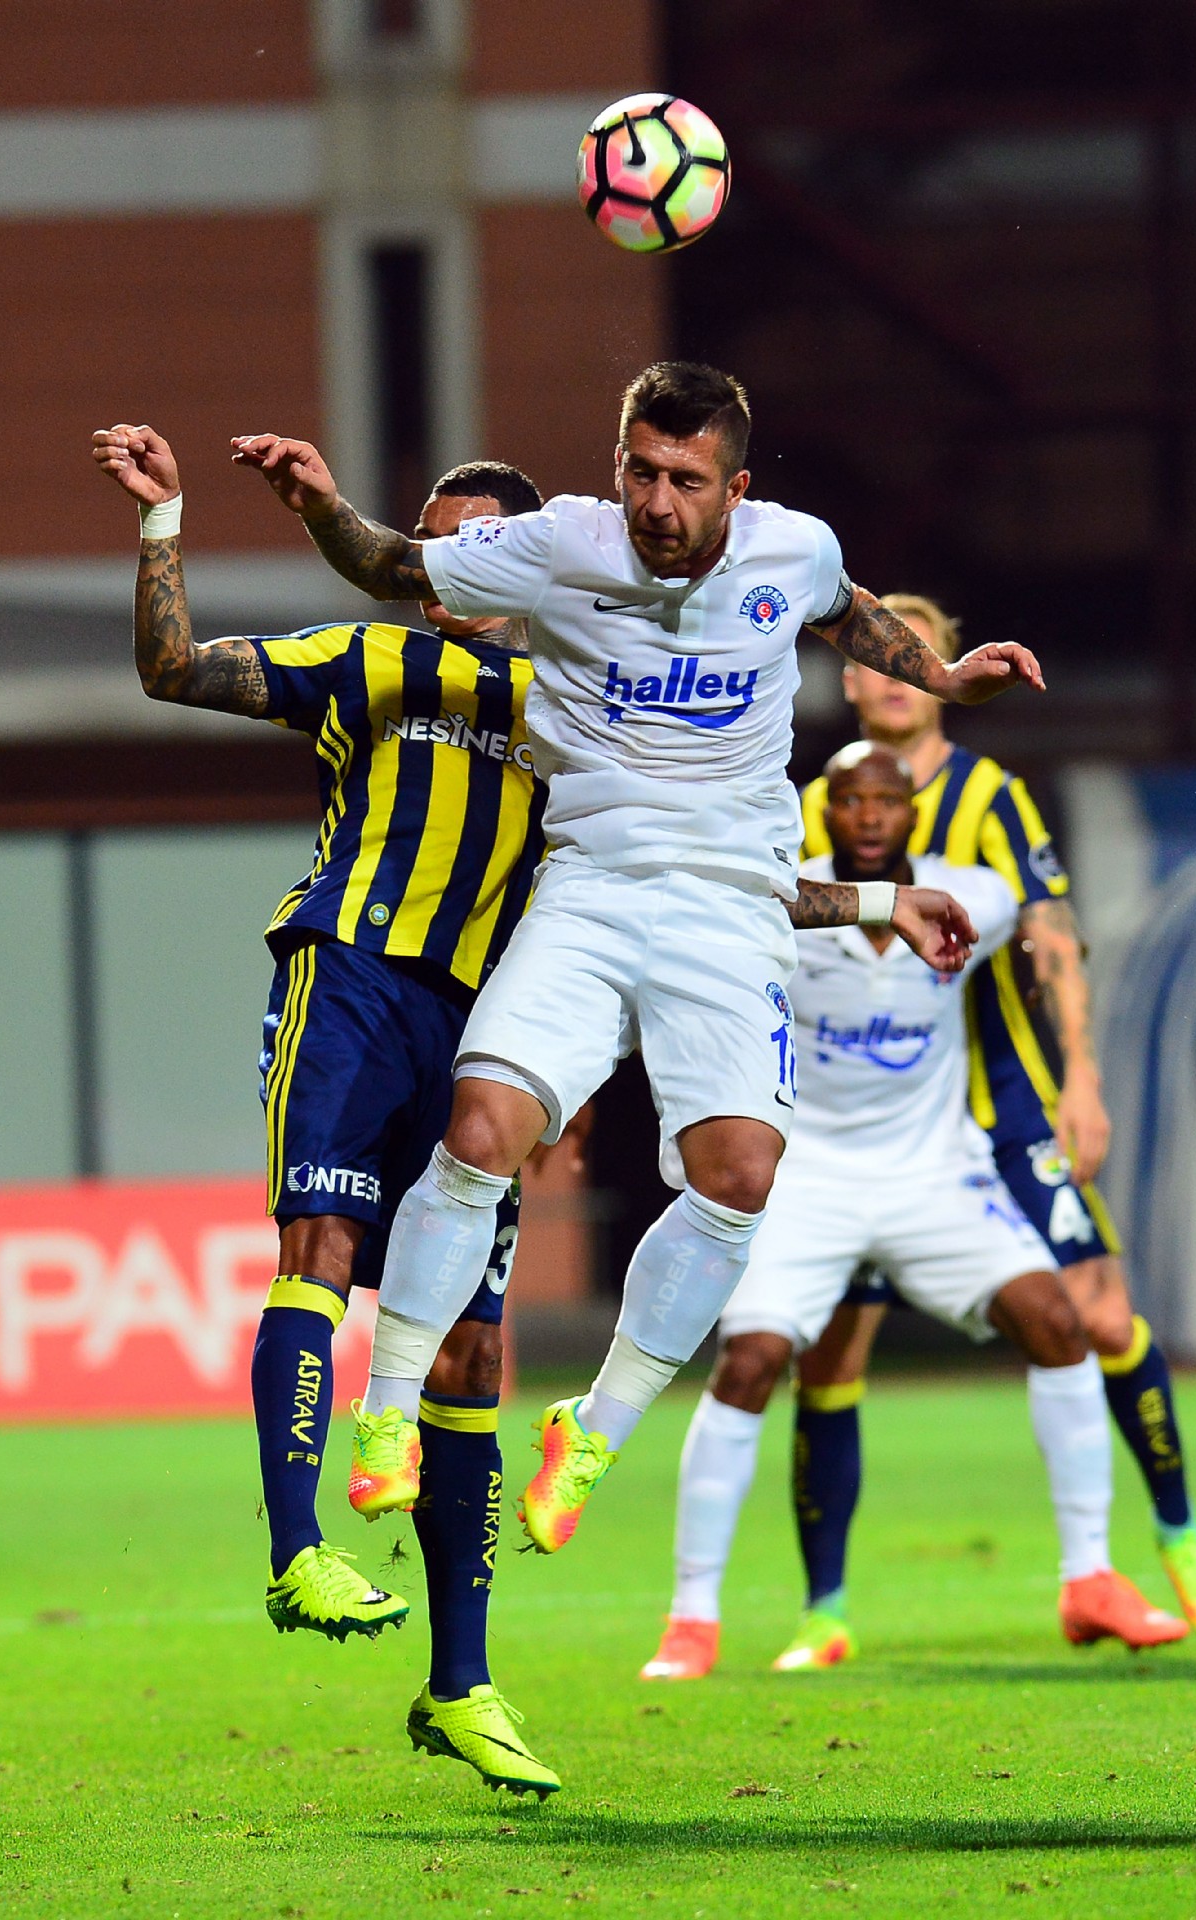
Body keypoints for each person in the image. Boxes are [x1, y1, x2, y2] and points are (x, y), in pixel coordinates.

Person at [233, 361, 1041, 1566]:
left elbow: (846, 608)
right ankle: (387, 1409)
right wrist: (318, 507)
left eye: (686, 480)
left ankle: (596, 1428)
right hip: (592, 889)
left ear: (735, 490)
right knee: (479, 1132)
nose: (658, 502)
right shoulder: (561, 542)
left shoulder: (791, 550)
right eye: (640, 472)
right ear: (617, 463)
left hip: (733, 908)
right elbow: (395, 567)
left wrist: (943, 675)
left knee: (739, 1178)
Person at [91, 421, 562, 1800]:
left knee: (473, 1348)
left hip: (488, 1033)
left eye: (479, 545)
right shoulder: (367, 658)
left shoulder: (580, 708)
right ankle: (299, 1550)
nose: (448, 566)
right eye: (432, 544)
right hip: (350, 978)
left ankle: (462, 1686)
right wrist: (165, 522)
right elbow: (174, 669)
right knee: (323, 1253)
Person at [641, 744, 1189, 1681]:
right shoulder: (785, 898)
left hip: (935, 1176)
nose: (868, 815)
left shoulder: (970, 893)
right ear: (826, 811)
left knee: (1057, 1322)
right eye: (850, 799)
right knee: (752, 1360)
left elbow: (1047, 921)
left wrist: (1074, 1033)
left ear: (911, 813)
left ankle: (1091, 1578)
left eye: (885, 801)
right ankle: (692, 1617)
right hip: (810, 1181)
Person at [789, 594, 1196, 1652]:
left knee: (1101, 1315)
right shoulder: (813, 806)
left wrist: (1080, 1075)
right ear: (851, 677)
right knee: (828, 1354)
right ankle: (824, 1611)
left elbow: (1049, 933)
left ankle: (1177, 1530)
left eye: (918, 657)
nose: (895, 674)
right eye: (880, 658)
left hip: (999, 1104)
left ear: (947, 674)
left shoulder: (991, 796)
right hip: (863, 1127)